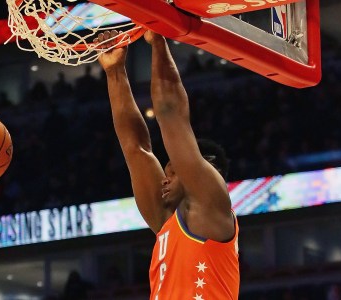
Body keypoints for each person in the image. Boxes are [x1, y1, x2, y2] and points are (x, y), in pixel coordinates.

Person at [96, 30, 240, 299]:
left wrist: (158, 41)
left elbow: (171, 116)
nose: (165, 178)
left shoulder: (211, 208)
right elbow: (135, 148)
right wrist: (115, 72)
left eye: (173, 172)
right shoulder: (165, 222)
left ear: (207, 170)